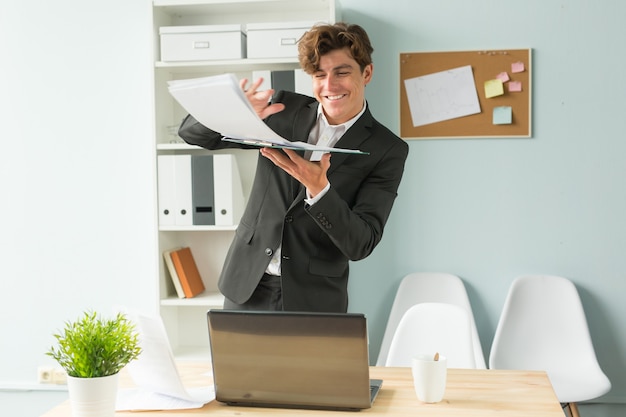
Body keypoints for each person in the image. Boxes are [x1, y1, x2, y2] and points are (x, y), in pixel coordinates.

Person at [178, 22, 408, 313]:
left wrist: (320, 190)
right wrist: (233, 113)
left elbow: (361, 243)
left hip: (314, 298)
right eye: (320, 75)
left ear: (367, 73)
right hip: (246, 285)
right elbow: (191, 134)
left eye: (342, 72)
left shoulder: (387, 149)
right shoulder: (282, 111)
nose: (329, 85)